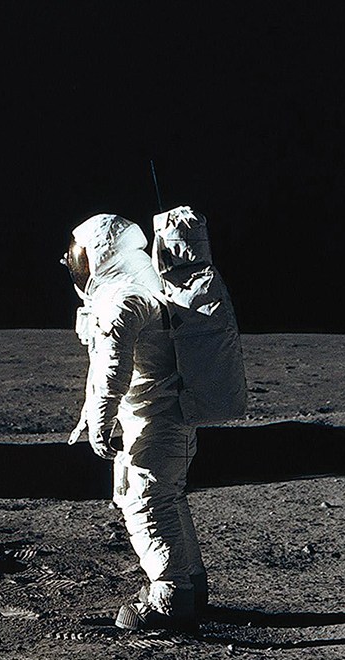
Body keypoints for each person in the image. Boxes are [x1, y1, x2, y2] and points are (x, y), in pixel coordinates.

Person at [65, 213, 208, 631]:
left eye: (82, 257)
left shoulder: (127, 297)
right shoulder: (143, 286)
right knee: (167, 499)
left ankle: (169, 598)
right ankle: (191, 585)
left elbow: (113, 366)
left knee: (146, 503)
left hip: (155, 421)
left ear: (101, 256)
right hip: (163, 419)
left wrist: (99, 420)